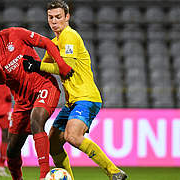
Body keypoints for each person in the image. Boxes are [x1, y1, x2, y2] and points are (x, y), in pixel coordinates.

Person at [23, 1, 128, 180]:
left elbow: (66, 67)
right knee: (54, 144)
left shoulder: (70, 36)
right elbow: (44, 67)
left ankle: (114, 172)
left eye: (58, 17)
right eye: (51, 17)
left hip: (86, 97)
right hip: (72, 102)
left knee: (72, 136)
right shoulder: (54, 42)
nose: (54, 21)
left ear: (67, 17)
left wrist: (37, 65)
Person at [0, 15, 73, 180]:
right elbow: (1, 81)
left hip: (44, 86)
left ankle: (44, 175)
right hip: (21, 102)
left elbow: (46, 42)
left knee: (36, 120)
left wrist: (61, 64)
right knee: (12, 151)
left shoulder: (15, 34)